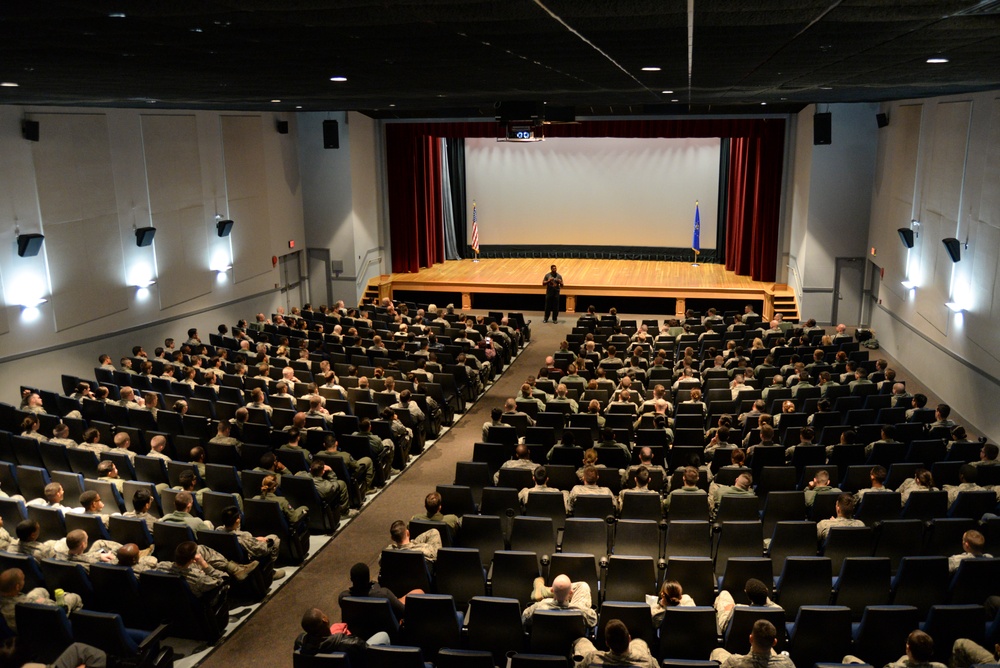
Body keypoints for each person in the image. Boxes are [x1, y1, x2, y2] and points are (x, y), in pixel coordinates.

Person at [0, 567, 83, 632]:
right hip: (45, 621)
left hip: (19, 605)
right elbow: (54, 610)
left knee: (40, 590)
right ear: (17, 587)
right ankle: (74, 625)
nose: (24, 581)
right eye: (23, 579)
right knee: (73, 597)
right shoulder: (27, 605)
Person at [294, 606, 390, 661]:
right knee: (383, 635)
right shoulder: (350, 643)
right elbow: (369, 654)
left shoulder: (300, 642)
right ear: (325, 620)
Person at [219, 506, 285, 580]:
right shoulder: (245, 536)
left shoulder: (218, 531)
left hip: (232, 560)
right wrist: (265, 540)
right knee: (274, 538)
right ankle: (269, 573)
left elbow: (233, 531)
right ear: (237, 521)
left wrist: (253, 539)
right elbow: (262, 549)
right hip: (249, 560)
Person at [572, 618, 657, 668]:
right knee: (639, 642)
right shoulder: (648, 662)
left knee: (582, 641)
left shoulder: (592, 659)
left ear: (607, 644)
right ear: (629, 639)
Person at [710, 619, 794, 668]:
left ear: (751, 638)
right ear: (774, 642)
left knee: (717, 651)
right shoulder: (786, 663)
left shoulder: (733, 662)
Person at [522, 573, 597, 628]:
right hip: (571, 643)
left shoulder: (539, 607)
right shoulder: (580, 612)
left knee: (582, 586)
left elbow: (524, 618)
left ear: (552, 590)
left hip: (544, 643)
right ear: (571, 593)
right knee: (583, 586)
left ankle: (543, 590)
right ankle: (544, 590)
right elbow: (593, 621)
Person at [843, 629, 946, 668]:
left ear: (908, 648)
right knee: (904, 657)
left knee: (848, 658)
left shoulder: (893, 667)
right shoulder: (941, 666)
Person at [713, 577, 781, 634]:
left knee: (724, 593)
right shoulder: (778, 609)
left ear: (746, 593)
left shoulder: (737, 608)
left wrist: (729, 610)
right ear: (767, 590)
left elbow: (725, 624)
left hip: (733, 629)